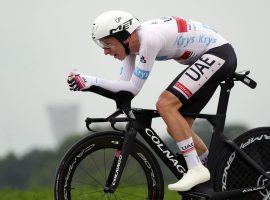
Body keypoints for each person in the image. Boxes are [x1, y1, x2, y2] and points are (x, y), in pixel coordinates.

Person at [67, 10, 237, 191]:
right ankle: (216, 174)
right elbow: (123, 88)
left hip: (218, 54)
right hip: (210, 57)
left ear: (124, 36)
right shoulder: (131, 47)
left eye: (108, 44)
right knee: (177, 128)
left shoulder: (148, 40)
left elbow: (132, 90)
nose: (105, 52)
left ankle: (195, 168)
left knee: (165, 104)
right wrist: (88, 84)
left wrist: (90, 82)